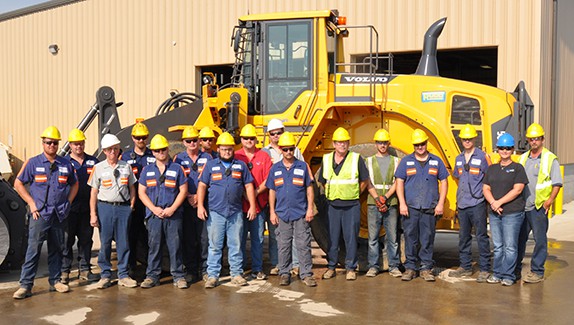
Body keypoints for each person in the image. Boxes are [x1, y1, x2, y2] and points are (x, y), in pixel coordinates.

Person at [13, 126, 78, 299]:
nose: (52, 146)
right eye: (48, 142)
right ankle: (25, 285)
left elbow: (75, 184)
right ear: (43, 143)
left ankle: (56, 281)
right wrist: (31, 203)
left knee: (57, 249)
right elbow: (18, 184)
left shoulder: (65, 164)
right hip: (40, 214)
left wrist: (68, 202)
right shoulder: (33, 163)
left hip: (59, 214)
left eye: (55, 143)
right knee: (33, 250)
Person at [197, 132, 257, 288]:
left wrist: (252, 205)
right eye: (224, 149)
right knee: (215, 245)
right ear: (218, 149)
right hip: (216, 212)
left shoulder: (241, 165)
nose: (227, 152)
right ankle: (212, 276)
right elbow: (202, 185)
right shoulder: (210, 165)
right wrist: (201, 206)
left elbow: (249, 186)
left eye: (229, 149)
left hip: (235, 212)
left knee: (235, 244)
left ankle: (236, 274)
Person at [318, 127, 375, 281]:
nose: (342, 145)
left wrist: (356, 193)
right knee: (333, 238)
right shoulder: (327, 159)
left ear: (348, 143)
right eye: (339, 142)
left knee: (350, 238)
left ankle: (350, 268)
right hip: (333, 206)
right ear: (334, 144)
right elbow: (323, 182)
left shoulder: (356, 159)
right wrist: (333, 193)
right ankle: (331, 267)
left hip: (351, 206)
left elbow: (365, 180)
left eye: (345, 142)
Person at [395, 129, 448, 282]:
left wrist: (440, 203)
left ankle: (425, 268)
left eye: (422, 144)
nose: (420, 147)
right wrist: (402, 203)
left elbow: (444, 182)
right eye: (417, 144)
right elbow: (399, 182)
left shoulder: (436, 161)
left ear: (426, 143)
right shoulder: (406, 161)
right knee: (410, 238)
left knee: (427, 238)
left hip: (429, 207)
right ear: (414, 145)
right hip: (411, 207)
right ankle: (410, 268)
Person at [266, 132, 317, 287]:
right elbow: (272, 191)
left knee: (303, 244)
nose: (288, 152)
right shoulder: (275, 169)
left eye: (291, 149)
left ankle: (306, 274)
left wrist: (310, 209)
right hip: (282, 213)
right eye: (286, 149)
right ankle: (284, 273)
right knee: (283, 245)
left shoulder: (303, 166)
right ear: (281, 149)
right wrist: (272, 212)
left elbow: (309, 189)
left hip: (300, 213)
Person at [138, 135, 188, 289]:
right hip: (154, 215)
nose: (161, 152)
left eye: (163, 149)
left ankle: (178, 276)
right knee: (154, 246)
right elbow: (141, 192)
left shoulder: (177, 168)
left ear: (168, 149)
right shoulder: (147, 170)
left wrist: (172, 209)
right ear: (152, 152)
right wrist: (154, 209)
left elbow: (183, 191)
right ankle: (152, 276)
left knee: (175, 246)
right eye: (157, 150)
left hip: (173, 215)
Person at [89, 134, 138, 289]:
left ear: (118, 150)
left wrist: (131, 204)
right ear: (104, 151)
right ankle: (105, 275)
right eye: (110, 149)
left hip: (123, 208)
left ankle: (123, 274)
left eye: (115, 149)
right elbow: (93, 193)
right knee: (105, 242)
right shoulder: (98, 168)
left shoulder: (126, 166)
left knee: (124, 242)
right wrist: (93, 213)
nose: (113, 152)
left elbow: (132, 187)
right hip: (105, 208)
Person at [516, 123, 562, 283]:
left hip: (538, 207)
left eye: (537, 139)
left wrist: (549, 201)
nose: (534, 141)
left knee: (540, 240)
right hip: (523, 206)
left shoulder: (550, 158)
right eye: (531, 139)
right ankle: (515, 268)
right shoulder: (523, 158)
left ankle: (537, 271)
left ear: (542, 139)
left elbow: (557, 183)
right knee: (519, 239)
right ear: (528, 140)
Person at [483, 133, 528, 286]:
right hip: (495, 213)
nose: (504, 151)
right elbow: (486, 188)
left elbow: (518, 189)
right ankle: (497, 273)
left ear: (512, 150)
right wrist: (493, 203)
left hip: (512, 213)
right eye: (501, 148)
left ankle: (508, 275)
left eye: (507, 148)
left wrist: (498, 202)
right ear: (498, 149)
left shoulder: (518, 169)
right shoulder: (492, 169)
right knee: (498, 246)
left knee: (510, 246)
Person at [449, 124, 491, 283]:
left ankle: (485, 268)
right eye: (464, 139)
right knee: (463, 237)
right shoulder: (458, 158)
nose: (467, 141)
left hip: (478, 202)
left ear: (474, 139)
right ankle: (465, 266)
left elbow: (489, 176)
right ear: (461, 140)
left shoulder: (482, 157)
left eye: (469, 139)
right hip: (463, 203)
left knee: (481, 236)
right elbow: (457, 176)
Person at [263, 118, 303, 276]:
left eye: (279, 132)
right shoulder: (265, 152)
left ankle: (296, 264)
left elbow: (303, 171)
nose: (276, 136)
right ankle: (278, 263)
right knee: (276, 234)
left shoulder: (295, 150)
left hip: (292, 200)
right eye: (273, 134)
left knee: (294, 234)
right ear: (269, 135)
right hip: (275, 199)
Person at [61, 129, 100, 284]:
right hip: (69, 208)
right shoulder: (63, 162)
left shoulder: (93, 161)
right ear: (70, 145)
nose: (79, 146)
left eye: (81, 143)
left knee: (86, 240)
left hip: (87, 208)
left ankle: (84, 269)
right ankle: (64, 271)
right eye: (76, 144)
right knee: (66, 241)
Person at [174, 126, 212, 282]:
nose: (192, 143)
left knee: (204, 239)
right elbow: (176, 181)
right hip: (186, 204)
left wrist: (199, 197)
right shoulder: (178, 159)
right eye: (188, 141)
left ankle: (205, 269)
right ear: (183, 142)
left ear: (199, 141)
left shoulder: (208, 158)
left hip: (204, 203)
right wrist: (189, 196)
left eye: (195, 140)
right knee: (189, 238)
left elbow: (212, 180)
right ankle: (190, 270)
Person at [235, 124, 272, 280]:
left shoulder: (263, 156)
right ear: (241, 139)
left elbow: (268, 179)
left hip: (259, 205)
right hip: (239, 206)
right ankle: (240, 269)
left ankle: (257, 269)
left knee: (257, 239)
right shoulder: (236, 156)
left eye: (251, 138)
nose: (249, 140)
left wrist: (255, 193)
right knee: (239, 239)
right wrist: (243, 194)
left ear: (256, 140)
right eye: (246, 138)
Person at [365, 129, 402, 278]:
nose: (382, 145)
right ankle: (373, 266)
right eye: (380, 142)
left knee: (392, 238)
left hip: (391, 202)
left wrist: (385, 197)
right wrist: (377, 198)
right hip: (373, 203)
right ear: (376, 144)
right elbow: (367, 182)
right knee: (372, 238)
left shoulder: (396, 161)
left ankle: (394, 266)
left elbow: (397, 182)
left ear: (388, 143)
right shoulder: (368, 161)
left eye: (385, 142)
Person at [121, 121, 155, 273]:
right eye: (138, 137)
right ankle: (131, 266)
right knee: (131, 234)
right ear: (133, 138)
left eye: (143, 137)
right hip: (133, 201)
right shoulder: (126, 156)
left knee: (150, 235)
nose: (141, 140)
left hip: (151, 200)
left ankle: (152, 266)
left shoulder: (153, 154)